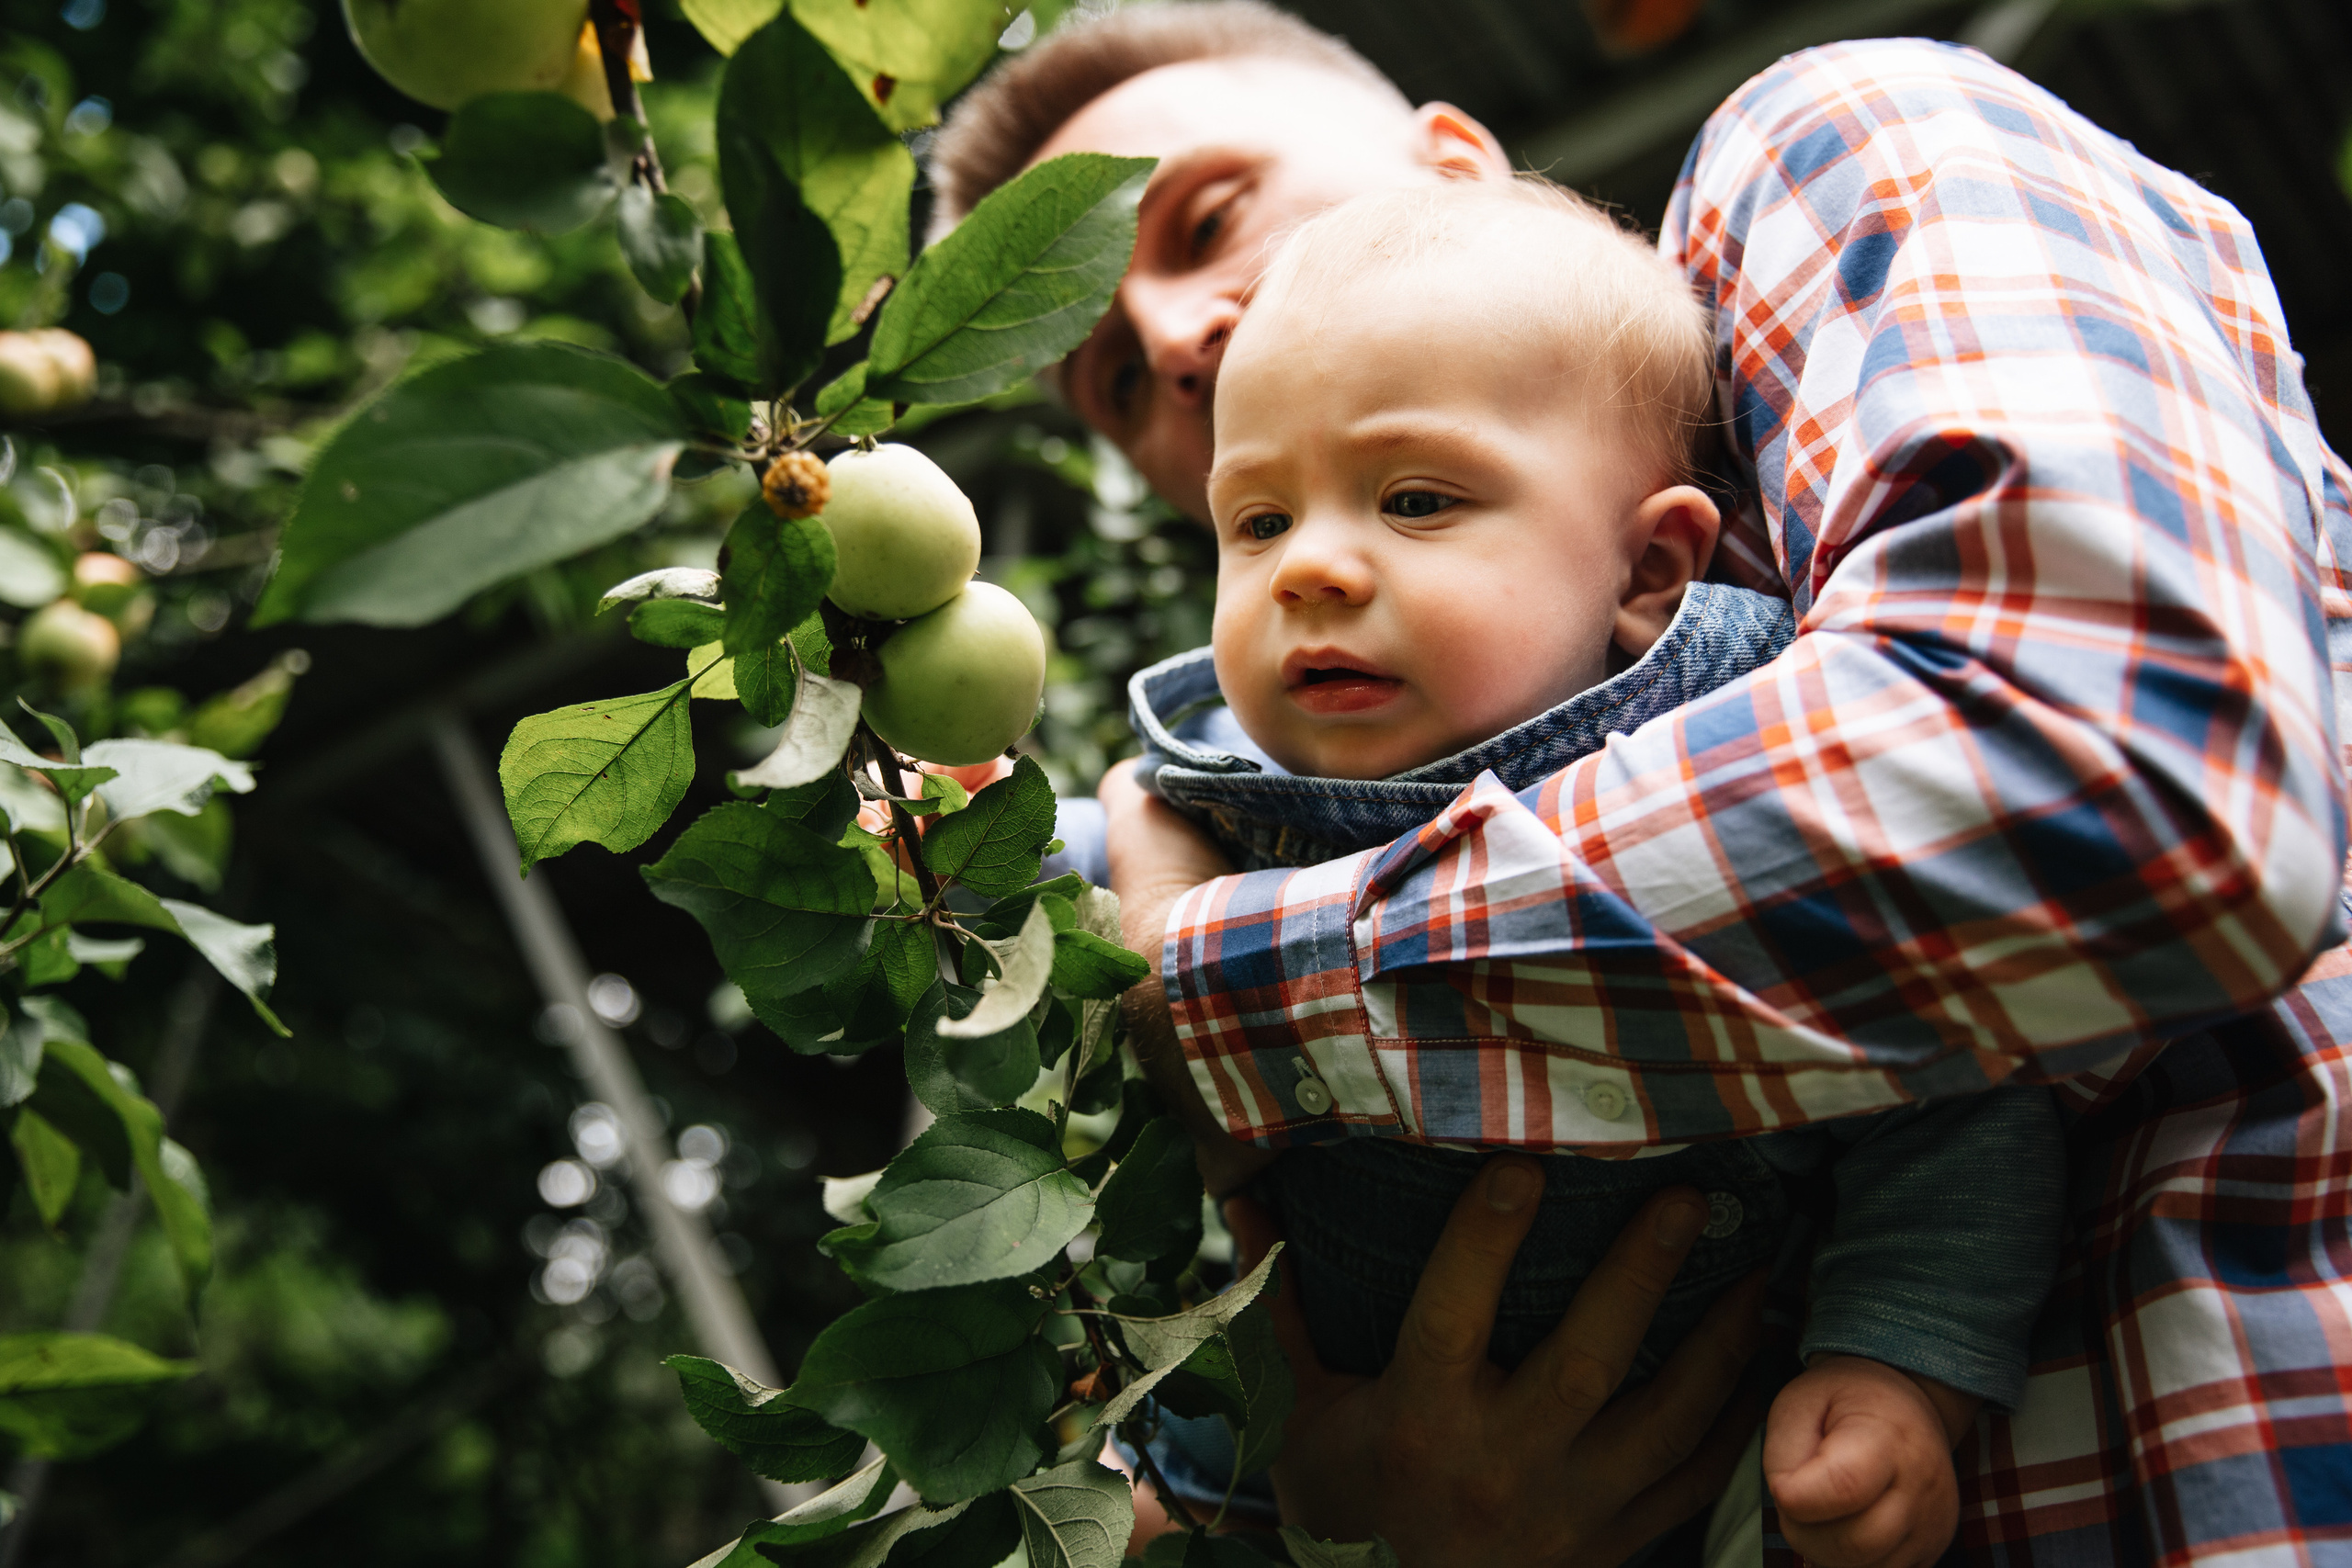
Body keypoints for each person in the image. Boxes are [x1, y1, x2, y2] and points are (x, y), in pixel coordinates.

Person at [934, 6, 2352, 1564]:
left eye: (1209, 217)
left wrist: (1193, 980)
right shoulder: (1271, 763)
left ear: (1460, 168)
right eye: (1115, 375)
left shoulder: (1822, 151)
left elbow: (2125, 791)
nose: (1178, 338)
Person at [1123, 175, 2065, 1568]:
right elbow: (1069, 935)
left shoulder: (1744, 746)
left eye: (1416, 498)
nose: (1307, 570)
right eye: (1256, 522)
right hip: (1324, 1436)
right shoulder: (1222, 802)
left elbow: (1951, 1089)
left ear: (1648, 571)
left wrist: (1902, 1369)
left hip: (1697, 1458)